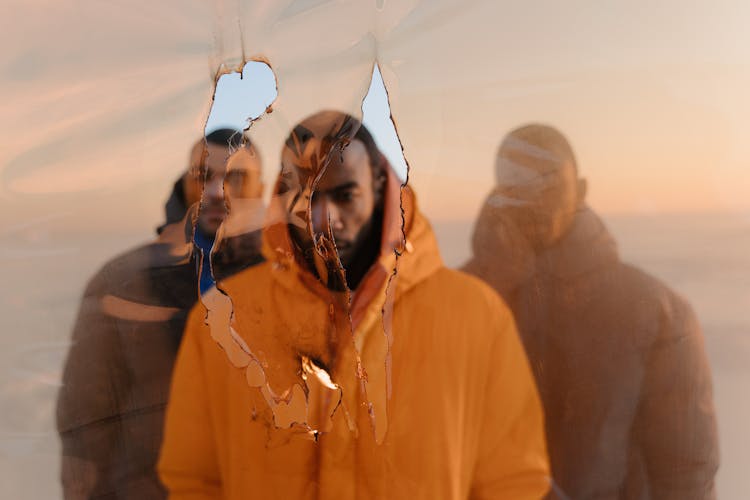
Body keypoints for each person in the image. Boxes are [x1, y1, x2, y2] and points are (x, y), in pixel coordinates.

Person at [158, 111, 550, 499]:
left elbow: (512, 480)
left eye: (345, 195)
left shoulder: (476, 316)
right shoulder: (223, 320)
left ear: (381, 186)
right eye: (306, 195)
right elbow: (194, 480)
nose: (324, 219)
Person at [463, 124, 720, 499]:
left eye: (548, 187)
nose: (534, 206)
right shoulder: (460, 302)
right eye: (518, 189)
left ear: (580, 191)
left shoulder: (654, 313)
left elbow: (684, 474)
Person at [56, 129, 265, 499]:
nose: (217, 192)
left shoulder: (292, 285)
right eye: (204, 176)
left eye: (235, 177)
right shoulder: (122, 282)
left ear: (261, 189)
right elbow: (86, 420)